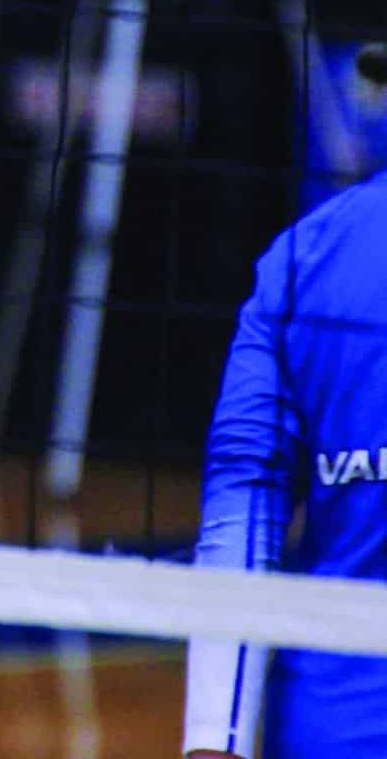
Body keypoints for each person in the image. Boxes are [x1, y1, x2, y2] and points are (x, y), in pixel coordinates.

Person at [184, 49, 387, 759]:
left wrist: (215, 737)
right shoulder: (301, 266)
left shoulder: (304, 261)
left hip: (329, 722)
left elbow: (242, 506)